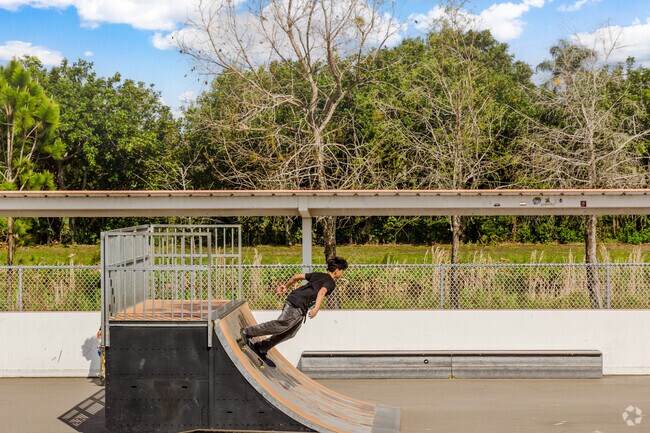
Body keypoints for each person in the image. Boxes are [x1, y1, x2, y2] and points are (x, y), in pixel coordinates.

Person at [241, 256, 349, 361]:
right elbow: (321, 292)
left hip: (299, 305)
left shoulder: (318, 275)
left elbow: (296, 277)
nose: (342, 273)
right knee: (282, 324)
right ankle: (248, 331)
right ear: (336, 270)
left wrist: (285, 287)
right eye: (342, 271)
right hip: (297, 303)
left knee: (291, 332)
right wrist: (316, 308)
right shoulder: (331, 282)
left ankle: (263, 346)